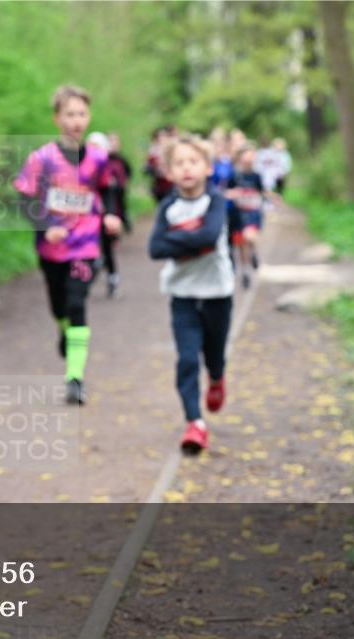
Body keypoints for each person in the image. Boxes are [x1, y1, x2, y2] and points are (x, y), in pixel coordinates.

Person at [14, 85, 122, 405]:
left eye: (82, 114)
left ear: (88, 117)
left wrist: (111, 216)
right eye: (70, 114)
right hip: (51, 249)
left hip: (85, 245)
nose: (76, 121)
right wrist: (45, 226)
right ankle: (64, 329)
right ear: (57, 118)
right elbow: (24, 199)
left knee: (77, 303)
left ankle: (74, 378)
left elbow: (110, 191)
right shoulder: (41, 159)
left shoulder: (100, 159)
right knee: (59, 306)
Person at [148, 135, 233, 455]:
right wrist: (195, 241)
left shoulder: (216, 202)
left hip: (217, 293)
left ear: (208, 168)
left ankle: (217, 377)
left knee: (213, 354)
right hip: (182, 294)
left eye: (193, 161)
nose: (186, 168)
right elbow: (155, 248)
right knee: (186, 358)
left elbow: (211, 234)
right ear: (169, 172)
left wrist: (178, 239)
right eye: (179, 163)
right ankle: (194, 423)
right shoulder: (168, 207)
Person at [89, 131, 132, 297]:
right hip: (87, 218)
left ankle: (112, 277)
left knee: (107, 248)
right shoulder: (82, 166)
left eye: (98, 147)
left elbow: (119, 190)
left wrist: (116, 215)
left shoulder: (113, 165)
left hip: (108, 214)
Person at [226, 144, 266, 289]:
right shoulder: (234, 175)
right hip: (238, 214)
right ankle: (245, 272)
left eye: (251, 155)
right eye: (246, 155)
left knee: (250, 237)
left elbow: (262, 192)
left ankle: (254, 252)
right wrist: (232, 194)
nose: (249, 158)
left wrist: (270, 197)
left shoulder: (257, 176)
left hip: (253, 213)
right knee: (241, 243)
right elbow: (226, 192)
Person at [144, 127, 175, 202]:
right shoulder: (153, 152)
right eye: (160, 137)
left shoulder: (173, 151)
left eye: (164, 136)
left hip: (172, 184)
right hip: (159, 184)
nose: (162, 139)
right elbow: (147, 167)